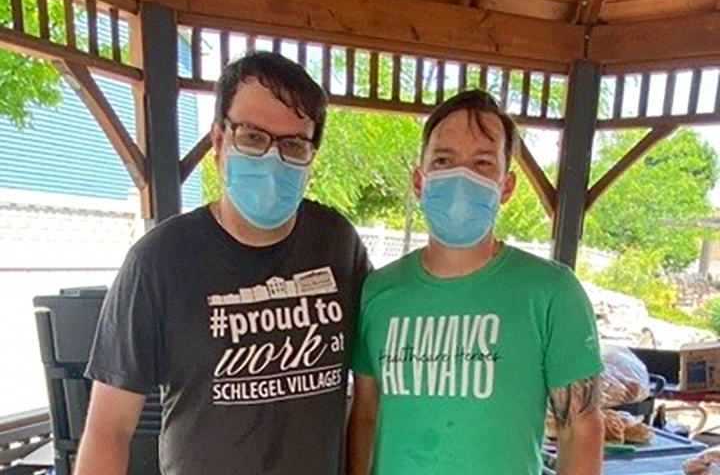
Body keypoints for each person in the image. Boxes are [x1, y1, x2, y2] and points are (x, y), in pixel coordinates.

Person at [75, 51, 370, 475]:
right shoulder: (158, 263)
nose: (272, 157)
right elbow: (109, 430)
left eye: (293, 144)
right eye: (252, 136)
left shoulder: (337, 244)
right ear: (218, 140)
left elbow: (370, 392)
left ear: (311, 156)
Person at [347, 90, 604, 475]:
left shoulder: (551, 292)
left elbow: (580, 429)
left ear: (506, 187)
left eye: (482, 163)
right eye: (443, 161)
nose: (461, 176)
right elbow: (366, 413)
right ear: (419, 181)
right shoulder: (379, 291)